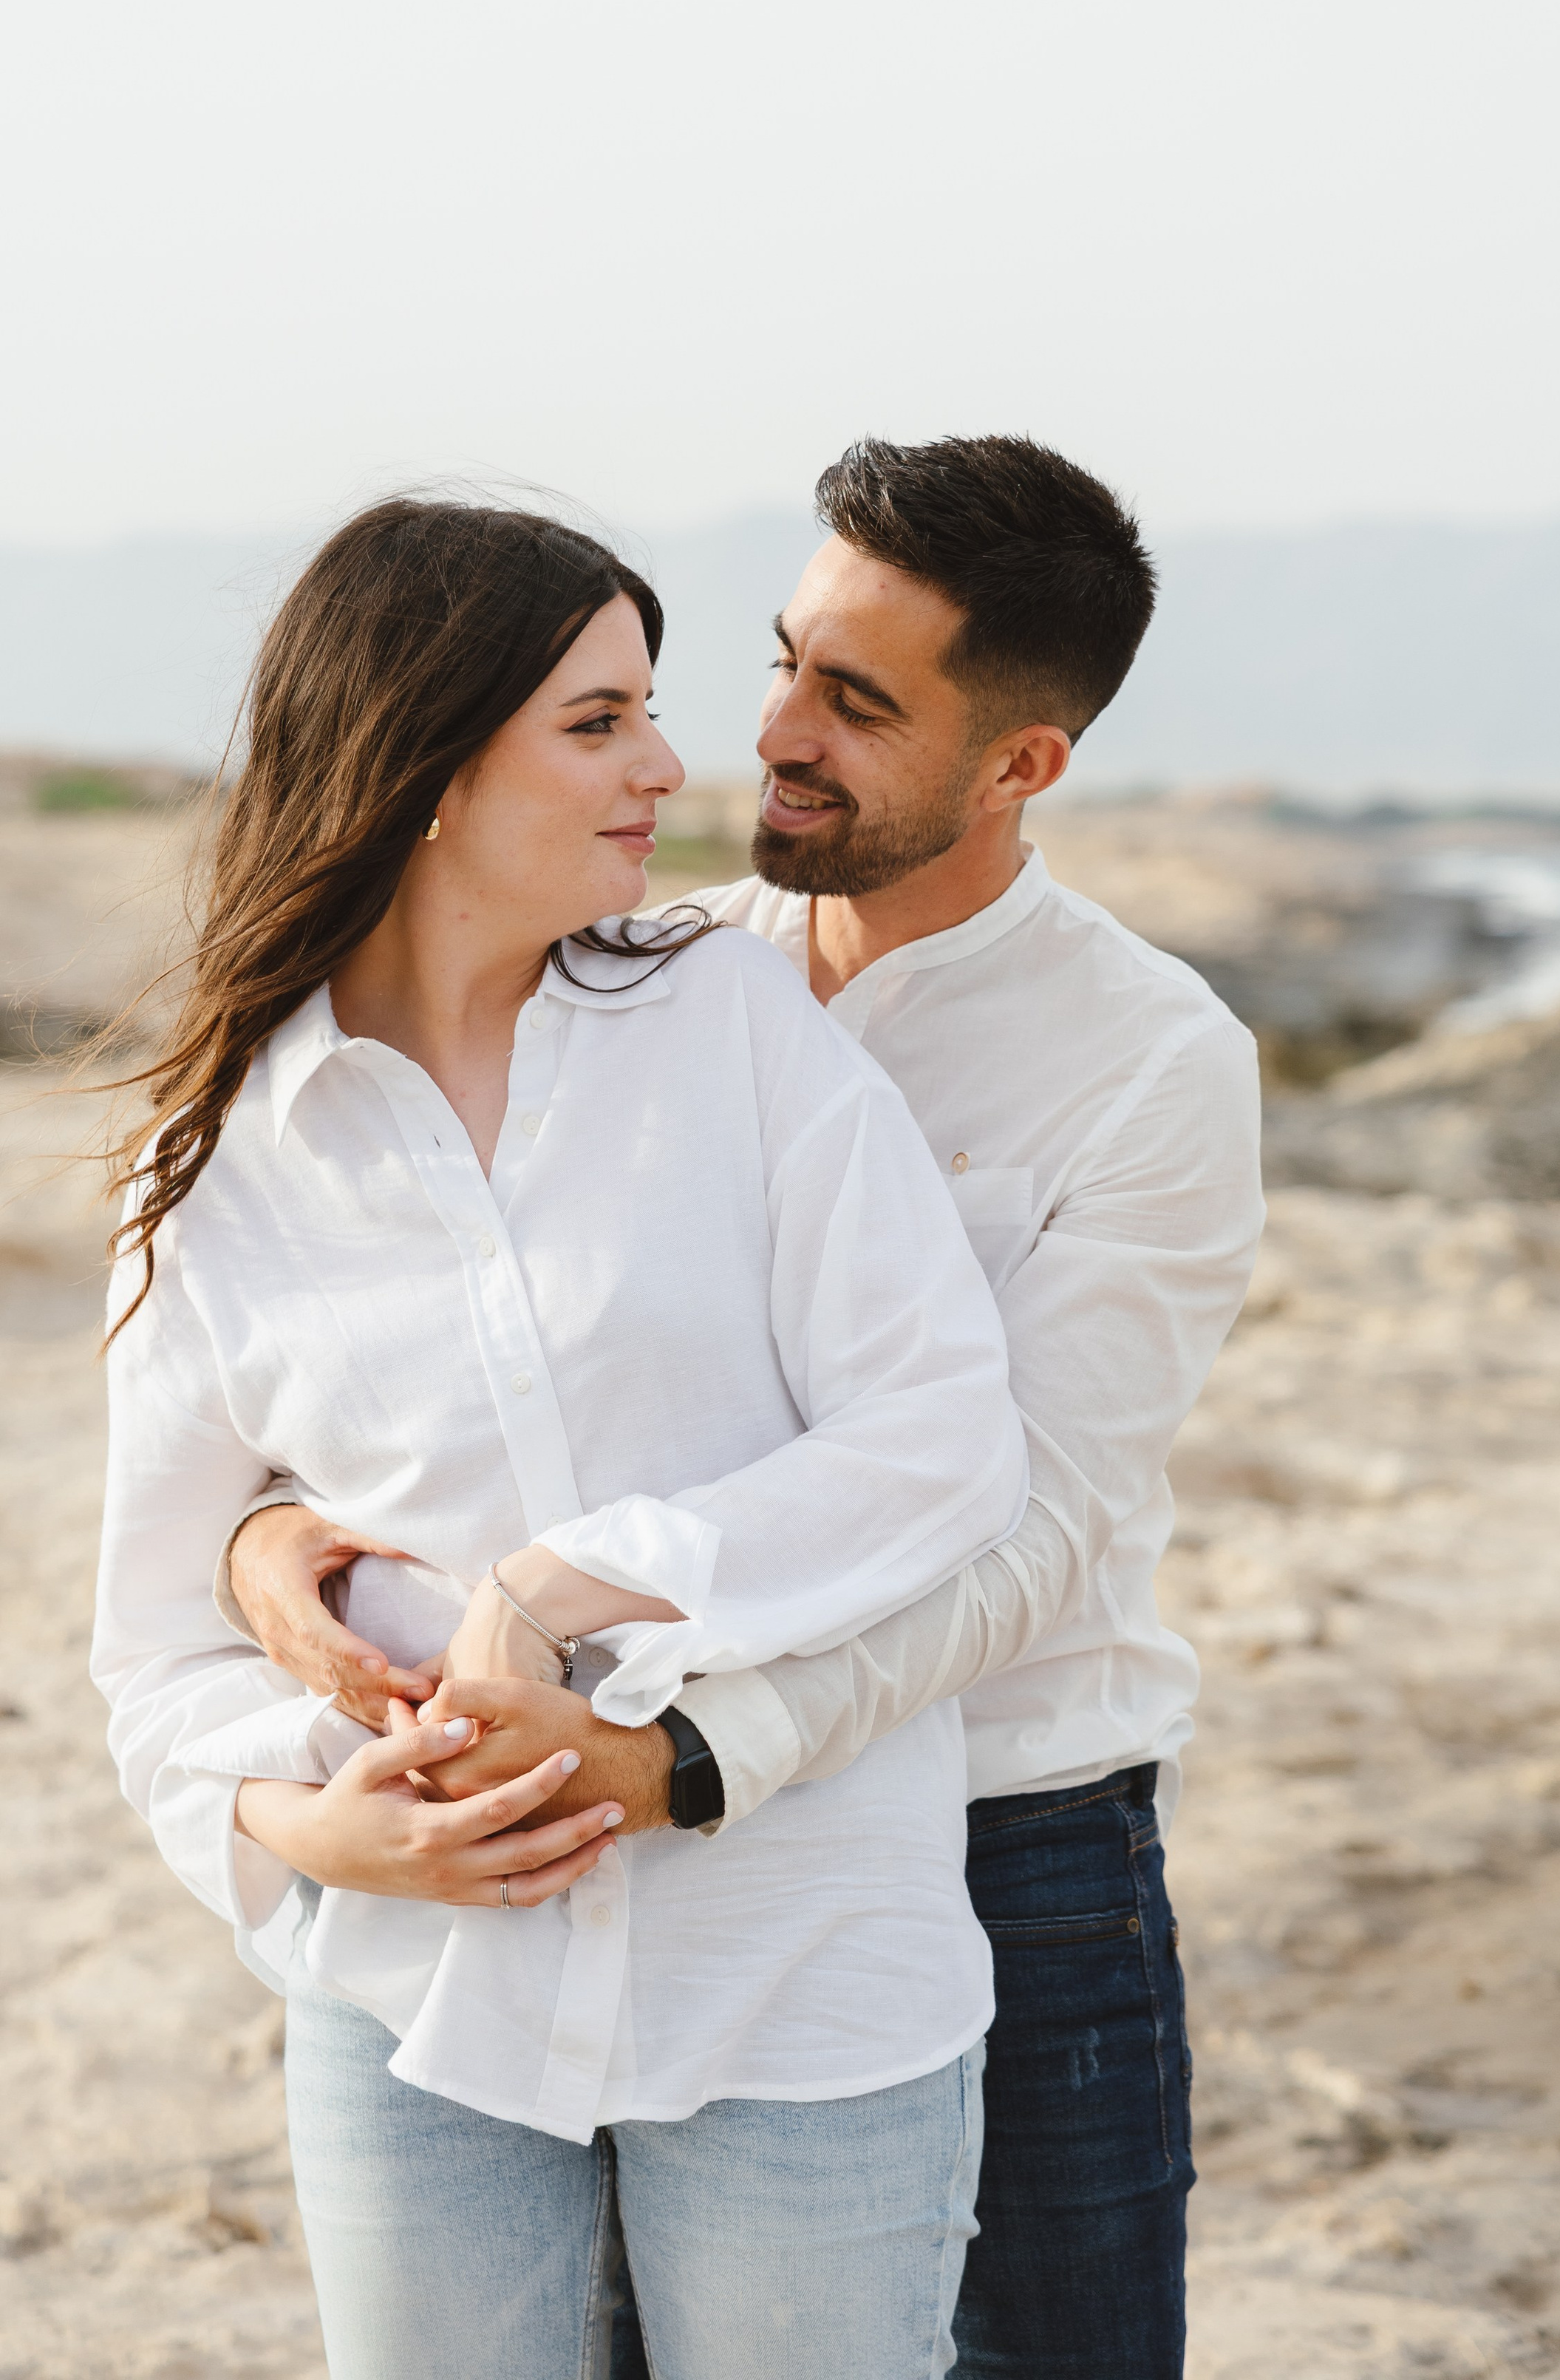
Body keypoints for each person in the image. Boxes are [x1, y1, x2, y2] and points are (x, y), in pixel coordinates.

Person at [231, 438, 1266, 2380]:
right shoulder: (648, 968)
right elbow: (428, 1341)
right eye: (787, 659)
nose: (771, 733)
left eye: (859, 704)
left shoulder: (1150, 1068)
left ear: (1022, 764)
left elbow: (1020, 1530)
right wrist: (262, 1531)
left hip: (1010, 1838)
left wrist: (702, 1760)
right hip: (634, 1845)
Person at [91, 495, 1032, 2380]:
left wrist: (569, 1582)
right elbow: (156, 1664)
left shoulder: (735, 1027)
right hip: (410, 2005)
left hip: (793, 1965)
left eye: (649, 711)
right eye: (595, 723)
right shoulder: (217, 1173)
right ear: (425, 763)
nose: (671, 767)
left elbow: (940, 1434)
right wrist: (310, 1827)